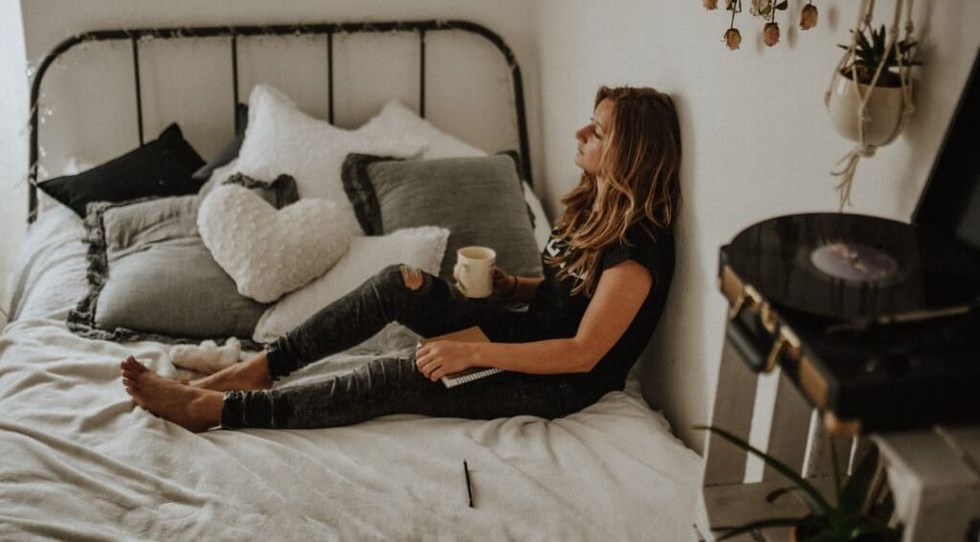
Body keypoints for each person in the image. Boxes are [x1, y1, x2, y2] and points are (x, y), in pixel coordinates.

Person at [120, 86, 683, 432]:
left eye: (599, 130)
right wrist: (515, 286)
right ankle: (258, 369)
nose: (581, 131)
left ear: (628, 153)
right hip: (520, 334)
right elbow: (568, 298)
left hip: (556, 381)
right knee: (401, 284)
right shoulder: (594, 207)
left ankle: (216, 412)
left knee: (398, 375)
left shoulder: (638, 251)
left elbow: (583, 353)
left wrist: (466, 350)